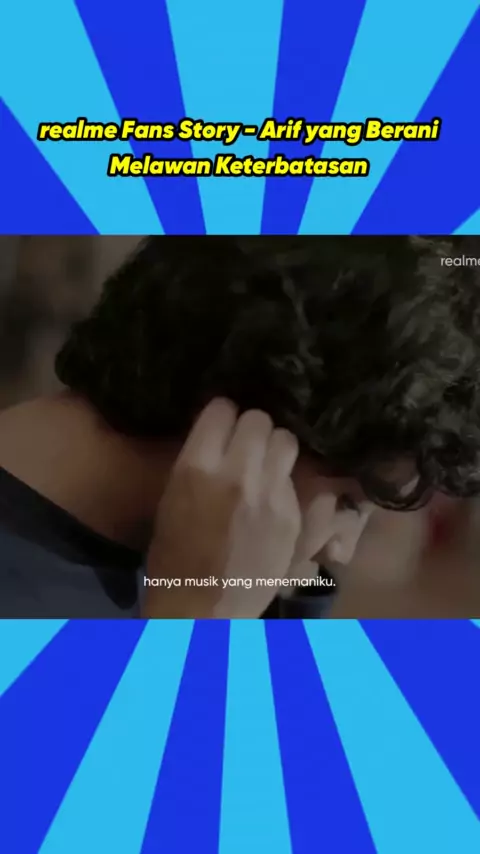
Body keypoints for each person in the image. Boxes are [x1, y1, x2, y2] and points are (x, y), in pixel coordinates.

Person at [0, 235, 479, 618]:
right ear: (239, 416)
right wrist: (199, 618)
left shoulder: (230, 559)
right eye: (347, 504)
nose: (341, 551)